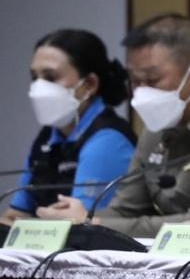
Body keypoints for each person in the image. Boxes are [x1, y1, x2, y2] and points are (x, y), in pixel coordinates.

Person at [35, 15, 190, 235]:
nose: (140, 92)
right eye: (135, 81)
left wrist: (96, 223)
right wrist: (81, 220)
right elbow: (125, 209)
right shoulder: (159, 124)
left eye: (151, 80)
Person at [2, 29, 135, 225]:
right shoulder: (47, 137)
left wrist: (27, 222)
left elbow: (78, 224)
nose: (38, 88)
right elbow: (16, 214)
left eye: (50, 77)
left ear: (89, 84)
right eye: (34, 77)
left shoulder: (108, 139)